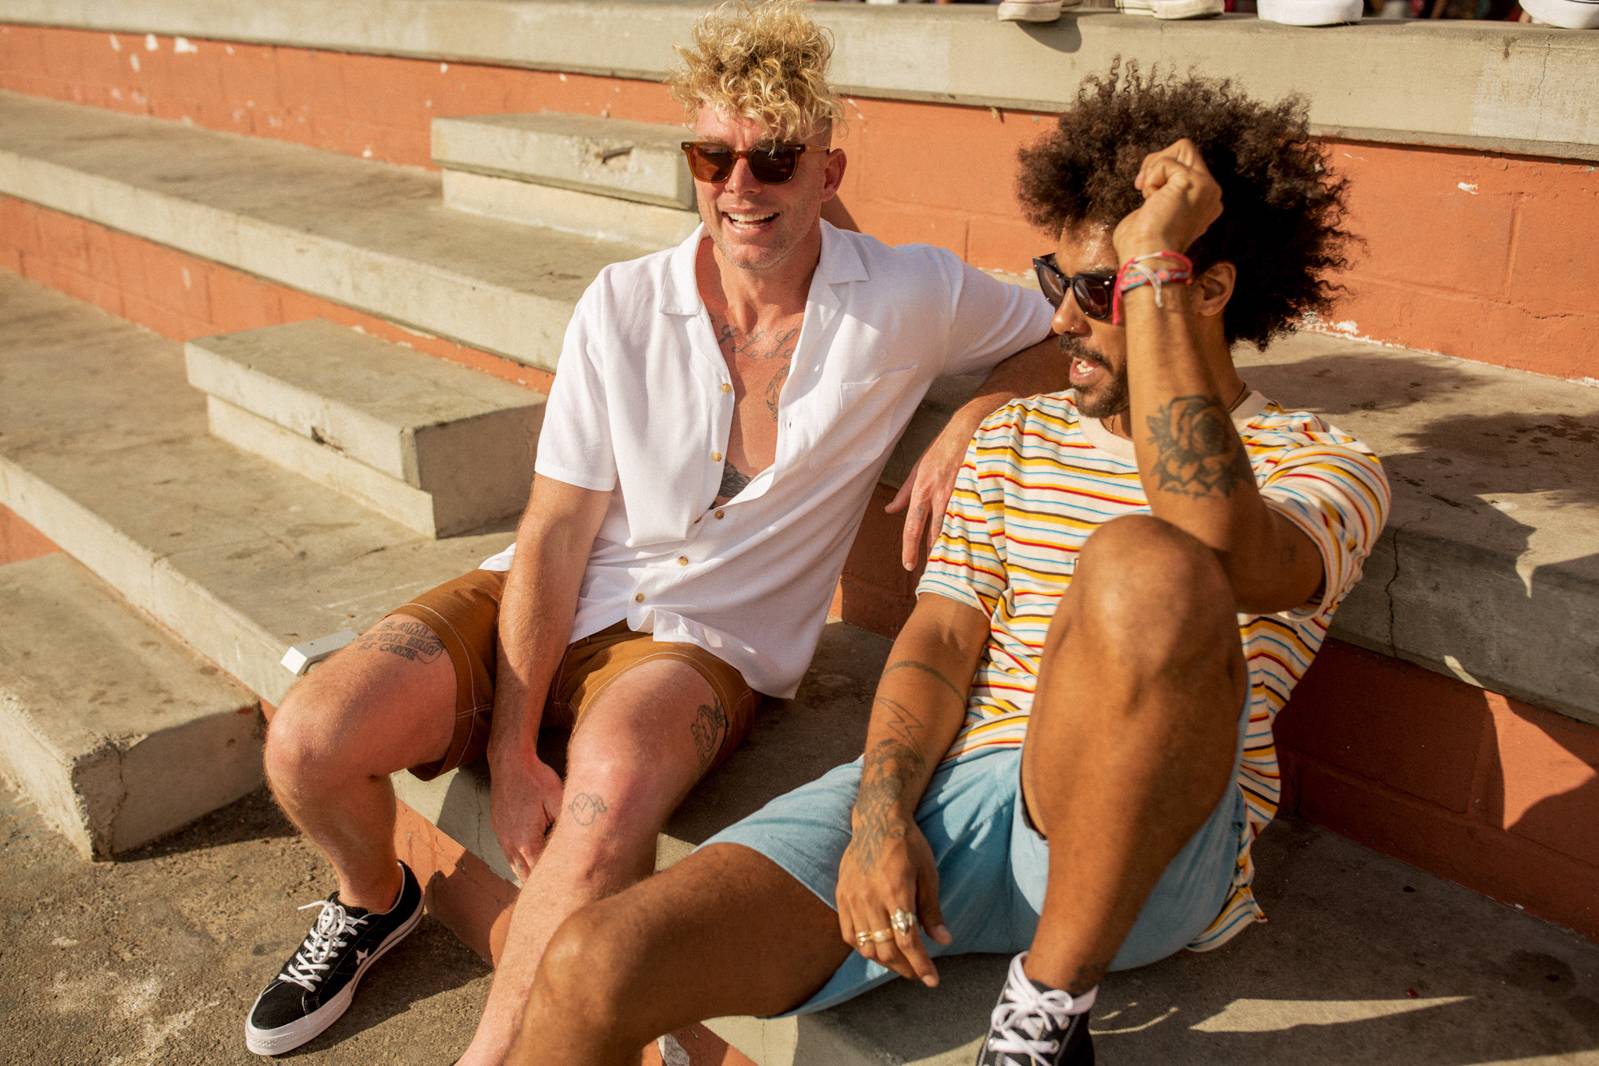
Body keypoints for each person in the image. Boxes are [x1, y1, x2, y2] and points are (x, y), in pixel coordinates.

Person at [513, 62, 1391, 1066]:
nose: (1060, 321)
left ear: (1208, 291)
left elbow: (1223, 540)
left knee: (1147, 561)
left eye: (1098, 290)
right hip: (964, 789)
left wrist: (1154, 266)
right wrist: (881, 814)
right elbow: (936, 641)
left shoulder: (1316, 463)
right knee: (594, 962)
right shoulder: (1017, 435)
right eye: (1057, 282)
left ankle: (1043, 1013)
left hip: (1155, 842)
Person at [242, 2, 1058, 1061]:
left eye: (774, 160)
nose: (740, 186)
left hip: (704, 638)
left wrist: (977, 412)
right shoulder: (624, 303)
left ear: (828, 172)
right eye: (714, 156)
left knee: (611, 785)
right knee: (308, 741)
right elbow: (554, 530)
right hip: (564, 583)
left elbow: (1063, 332)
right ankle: (373, 897)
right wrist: (510, 746)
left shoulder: (906, 296)